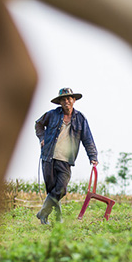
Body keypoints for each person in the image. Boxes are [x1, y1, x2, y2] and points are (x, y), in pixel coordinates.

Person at [35, 88, 98, 224]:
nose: (66, 101)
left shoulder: (80, 118)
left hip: (66, 159)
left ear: (74, 100)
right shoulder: (51, 115)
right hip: (48, 157)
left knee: (61, 189)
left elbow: (88, 139)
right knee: (52, 190)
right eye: (63, 99)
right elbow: (38, 124)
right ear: (60, 102)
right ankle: (56, 219)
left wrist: (93, 156)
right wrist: (42, 138)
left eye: (69, 99)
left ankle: (43, 213)